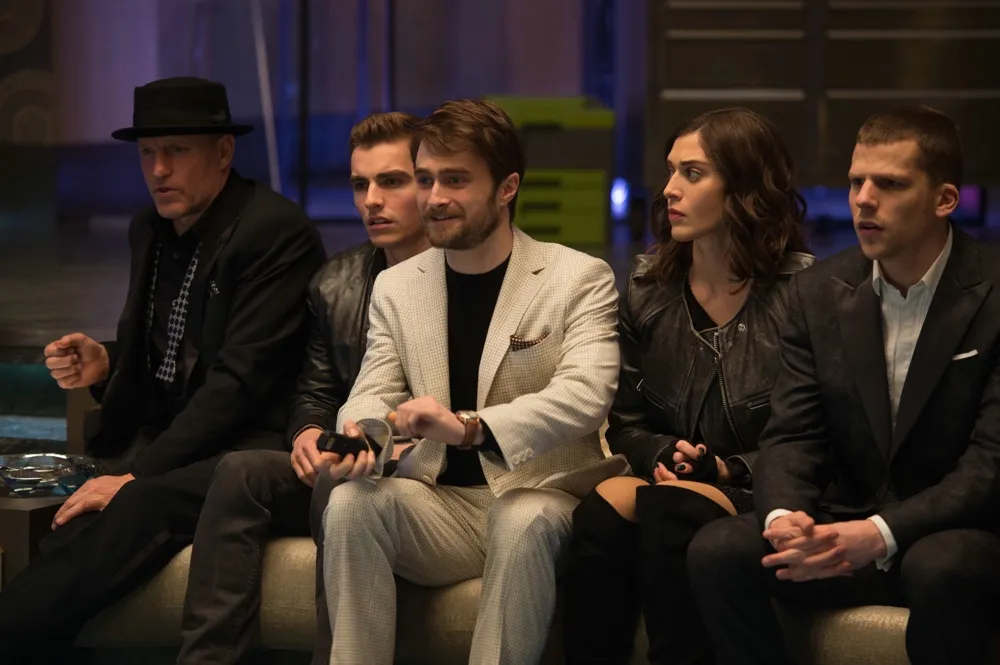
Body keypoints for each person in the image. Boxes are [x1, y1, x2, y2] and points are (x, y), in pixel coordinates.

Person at [0, 77, 325, 662]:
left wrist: (138, 474)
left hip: (249, 445)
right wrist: (108, 363)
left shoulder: (273, 231)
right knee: (73, 523)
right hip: (174, 439)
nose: (158, 169)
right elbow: (169, 349)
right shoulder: (149, 229)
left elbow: (238, 383)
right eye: (148, 152)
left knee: (133, 506)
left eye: (176, 150)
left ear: (223, 152)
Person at [319, 99, 630, 665]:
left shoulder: (577, 277)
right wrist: (363, 435)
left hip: (544, 494)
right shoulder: (398, 286)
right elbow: (373, 388)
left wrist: (470, 428)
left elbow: (584, 396)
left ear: (507, 187)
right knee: (351, 504)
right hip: (442, 506)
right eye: (425, 179)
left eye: (455, 180)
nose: (434, 197)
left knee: (520, 516)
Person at [688, 105, 1000, 665]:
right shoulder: (818, 291)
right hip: (846, 518)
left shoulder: (993, 291)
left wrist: (879, 532)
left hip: (956, 530)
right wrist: (786, 519)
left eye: (890, 184)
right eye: (857, 182)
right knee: (719, 549)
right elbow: (793, 434)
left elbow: (990, 464)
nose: (863, 200)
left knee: (944, 567)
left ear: (945, 199)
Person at [561, 108, 814, 665]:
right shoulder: (648, 289)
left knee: (672, 510)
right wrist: (661, 453)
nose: (670, 190)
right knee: (603, 510)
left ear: (745, 187)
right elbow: (627, 422)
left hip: (767, 486)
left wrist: (731, 468)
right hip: (674, 480)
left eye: (693, 174)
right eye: (671, 171)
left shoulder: (806, 292)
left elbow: (818, 433)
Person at [176, 111, 430, 665]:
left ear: (431, 183)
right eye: (360, 185)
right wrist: (308, 432)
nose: (372, 201)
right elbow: (315, 389)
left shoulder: (463, 272)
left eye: (392, 181)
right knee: (241, 471)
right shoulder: (335, 282)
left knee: (339, 482)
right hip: (353, 450)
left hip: (428, 465)